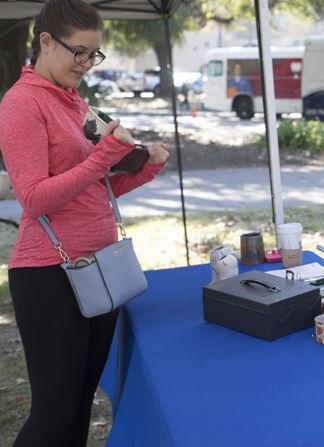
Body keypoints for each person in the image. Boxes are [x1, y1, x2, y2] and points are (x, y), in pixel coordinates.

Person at [0, 0, 169, 445]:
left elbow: (93, 191)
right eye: (79, 53)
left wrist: (144, 168)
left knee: (78, 408)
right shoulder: (22, 103)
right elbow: (34, 199)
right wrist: (102, 158)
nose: (87, 65)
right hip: (48, 275)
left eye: (94, 55)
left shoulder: (74, 101)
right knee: (54, 414)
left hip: (98, 269)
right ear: (46, 42)